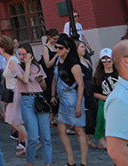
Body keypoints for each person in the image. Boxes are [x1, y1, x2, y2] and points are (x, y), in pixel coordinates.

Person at [50, 34, 88, 166]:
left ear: (67, 49)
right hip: (63, 99)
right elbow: (55, 79)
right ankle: (70, 160)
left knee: (78, 129)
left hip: (73, 97)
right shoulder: (58, 61)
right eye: (56, 47)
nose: (57, 50)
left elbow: (81, 84)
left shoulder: (74, 63)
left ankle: (83, 162)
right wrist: (53, 95)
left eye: (60, 48)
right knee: (61, 130)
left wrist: (78, 105)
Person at [14, 45, 51, 166]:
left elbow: (44, 87)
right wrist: (28, 64)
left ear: (30, 54)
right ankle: (30, 162)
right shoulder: (17, 67)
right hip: (26, 100)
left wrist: (40, 80)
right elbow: (25, 80)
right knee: (33, 137)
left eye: (24, 54)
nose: (21, 57)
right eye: (19, 54)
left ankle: (48, 163)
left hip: (39, 99)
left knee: (46, 136)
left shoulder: (38, 66)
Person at [0, 35, 27, 156]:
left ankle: (31, 140)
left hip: (15, 92)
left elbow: (20, 76)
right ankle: (28, 143)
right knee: (16, 119)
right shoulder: (11, 59)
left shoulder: (13, 60)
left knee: (11, 119)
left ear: (3, 48)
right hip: (12, 92)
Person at [91, 49, 118, 148]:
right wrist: (106, 98)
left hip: (117, 102)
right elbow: (95, 93)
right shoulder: (98, 76)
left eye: (109, 60)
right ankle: (101, 140)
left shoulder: (118, 74)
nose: (106, 62)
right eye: (103, 60)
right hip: (104, 102)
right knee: (102, 120)